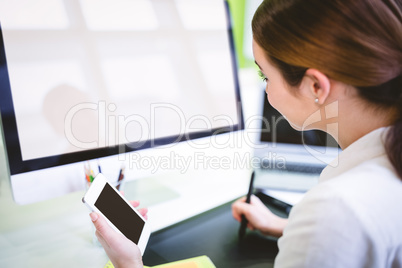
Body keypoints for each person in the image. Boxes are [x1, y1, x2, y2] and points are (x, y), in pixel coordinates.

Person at [91, 0, 402, 267]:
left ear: (316, 86)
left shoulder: (337, 211)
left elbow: (343, 223)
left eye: (264, 74)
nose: (265, 90)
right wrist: (293, 229)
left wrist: (129, 263)